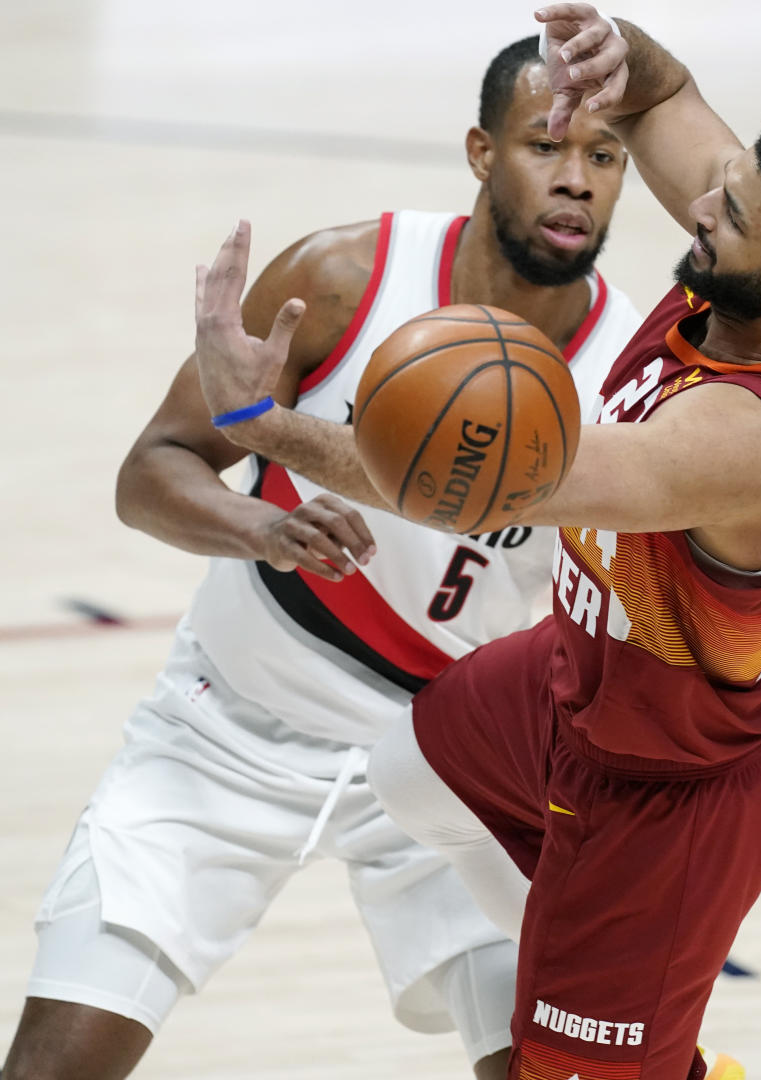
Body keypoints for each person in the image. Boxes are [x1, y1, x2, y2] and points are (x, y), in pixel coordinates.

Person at [182, 5, 761, 1079]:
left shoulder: (750, 439)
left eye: (736, 210)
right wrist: (620, 52)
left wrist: (263, 426)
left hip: (671, 792)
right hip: (579, 682)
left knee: (563, 1061)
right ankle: (617, 1008)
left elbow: (476, 483)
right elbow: (667, 96)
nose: (704, 200)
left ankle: (626, 1015)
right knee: (412, 773)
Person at [2, 35, 652, 1080]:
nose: (577, 177)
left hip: (452, 751)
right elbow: (151, 470)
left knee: (547, 1068)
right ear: (483, 152)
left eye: (607, 156)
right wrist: (259, 526)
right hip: (231, 719)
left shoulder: (626, 378)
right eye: (547, 146)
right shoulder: (346, 279)